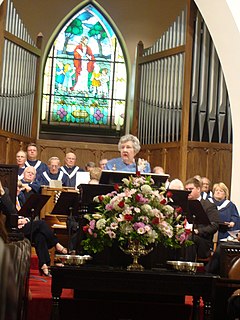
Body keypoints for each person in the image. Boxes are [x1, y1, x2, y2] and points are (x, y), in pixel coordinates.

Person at [0, 180, 67, 276]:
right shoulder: (5, 195)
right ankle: (56, 243)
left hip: (24, 224)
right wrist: (2, 192)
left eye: (20, 188)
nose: (18, 190)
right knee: (41, 224)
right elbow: (11, 212)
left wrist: (26, 220)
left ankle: (44, 265)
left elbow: (27, 212)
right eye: (16, 188)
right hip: (13, 227)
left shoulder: (20, 197)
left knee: (39, 236)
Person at [183, 177, 220, 261]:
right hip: (186, 235)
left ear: (199, 189)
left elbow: (214, 226)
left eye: (191, 189)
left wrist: (197, 231)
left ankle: (188, 268)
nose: (188, 191)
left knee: (190, 239)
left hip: (203, 242)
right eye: (186, 189)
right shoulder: (184, 204)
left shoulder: (209, 206)